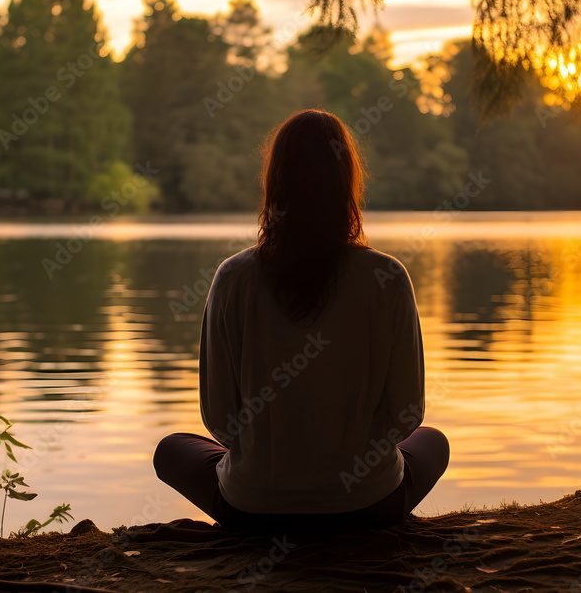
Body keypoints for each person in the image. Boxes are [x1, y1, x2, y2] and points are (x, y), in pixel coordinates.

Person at [154, 108, 449, 531]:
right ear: (346, 182)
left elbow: (220, 419)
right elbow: (407, 413)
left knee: (171, 449)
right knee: (434, 442)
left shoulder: (233, 277)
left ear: (275, 183)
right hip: (367, 507)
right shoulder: (387, 277)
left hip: (253, 511)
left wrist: (270, 462)